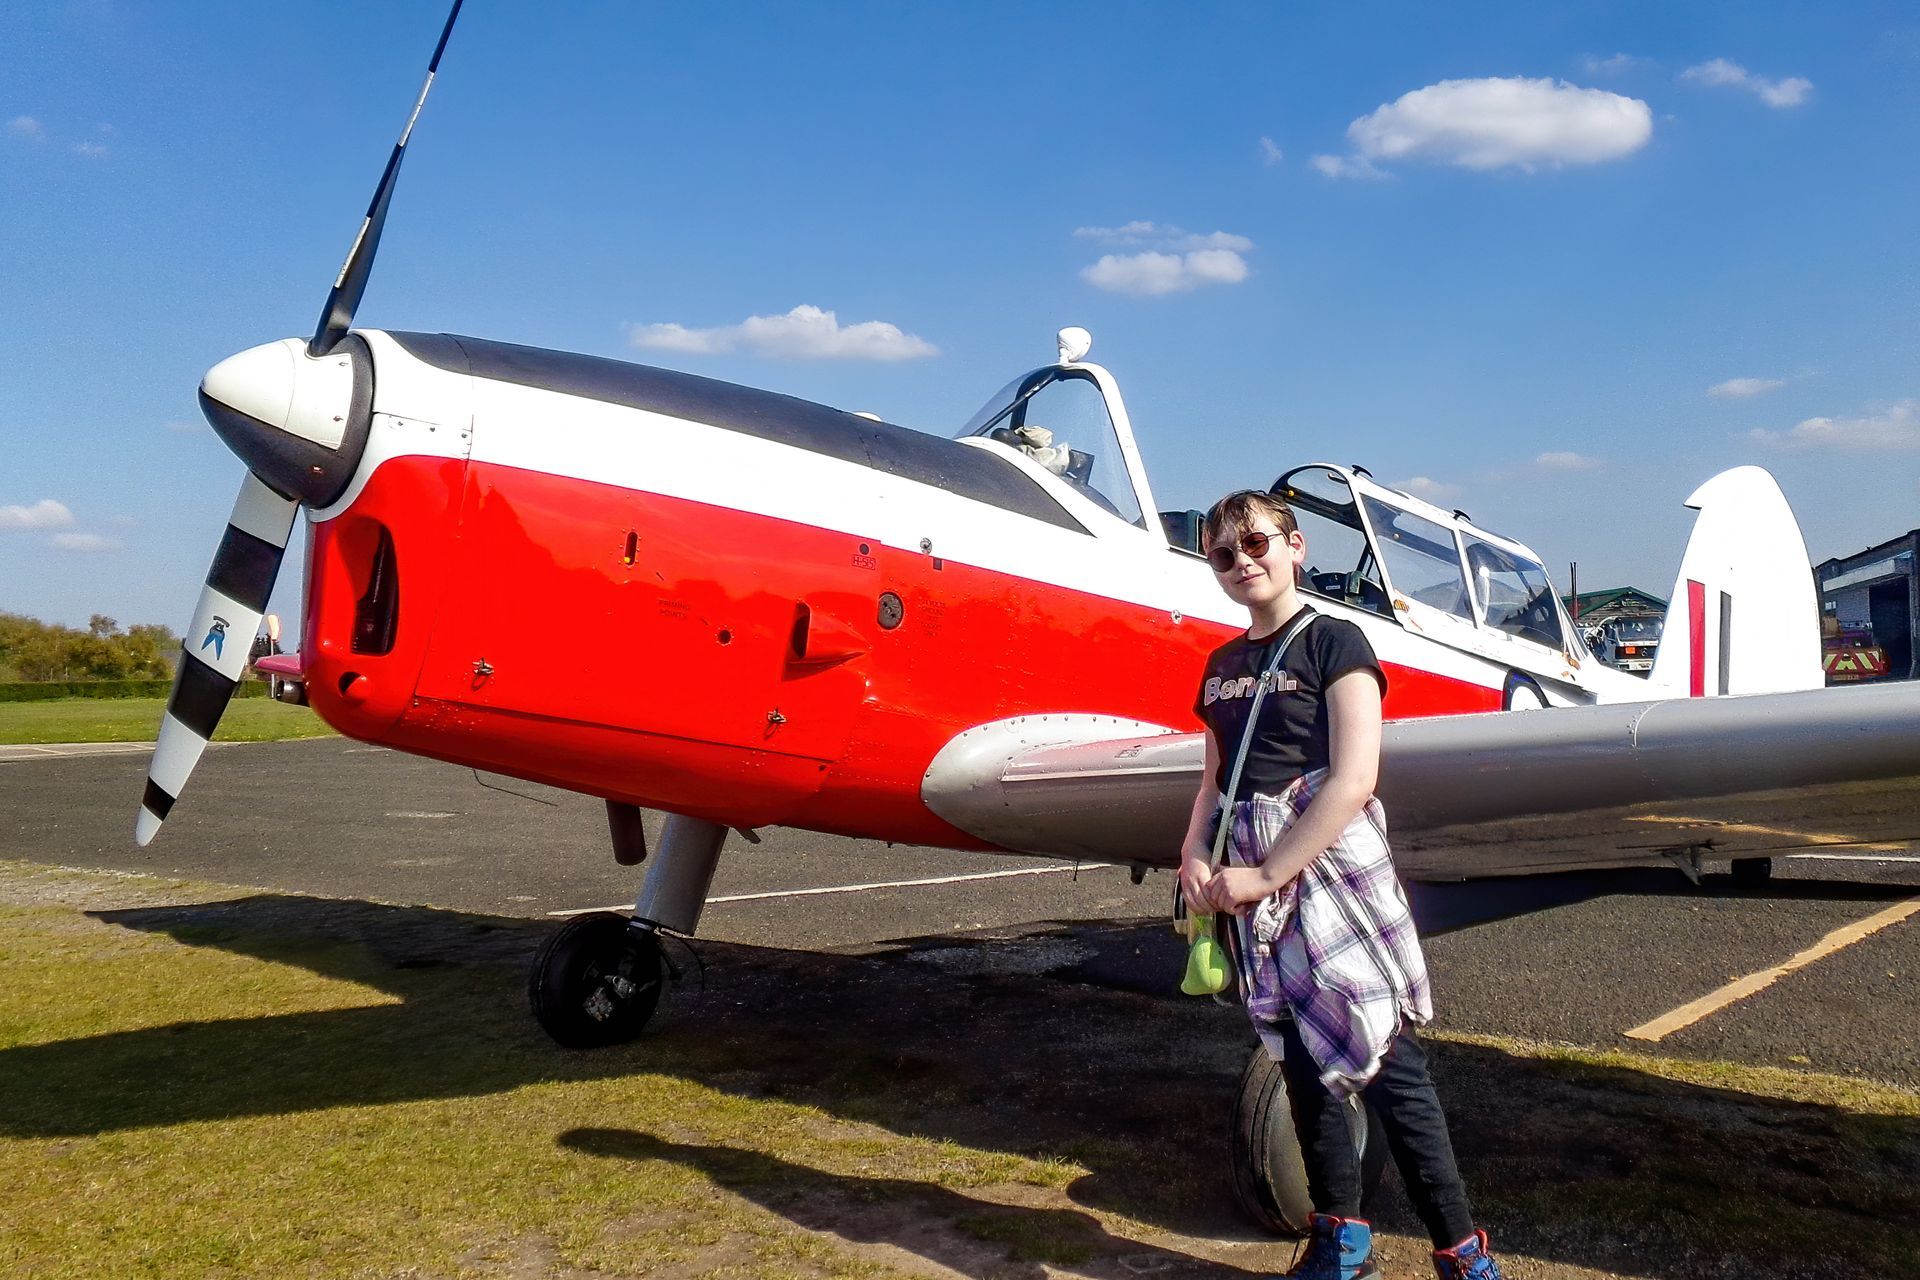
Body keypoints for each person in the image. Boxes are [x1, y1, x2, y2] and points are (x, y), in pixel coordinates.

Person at [1179, 489, 1502, 1280]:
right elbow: (1213, 780)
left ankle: (1460, 1252)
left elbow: (1355, 778)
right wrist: (1193, 853)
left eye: (1256, 543)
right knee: (1296, 1056)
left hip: (1326, 863)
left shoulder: (1336, 641)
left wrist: (1266, 874)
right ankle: (1341, 1241)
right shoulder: (1222, 668)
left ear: (1296, 546)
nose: (1241, 561)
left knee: (1383, 1053)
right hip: (1249, 868)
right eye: (1223, 554)